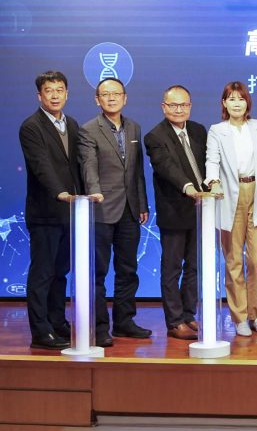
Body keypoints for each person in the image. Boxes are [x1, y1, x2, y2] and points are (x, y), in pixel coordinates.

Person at [79, 77, 151, 347]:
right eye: (105, 94)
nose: (111, 98)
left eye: (116, 93)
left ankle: (124, 321)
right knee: (97, 272)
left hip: (130, 210)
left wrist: (142, 203)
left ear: (125, 97)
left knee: (128, 269)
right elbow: (88, 166)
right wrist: (94, 193)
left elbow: (137, 171)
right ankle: (98, 327)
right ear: (97, 100)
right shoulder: (88, 130)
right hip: (102, 209)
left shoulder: (134, 127)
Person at [206, 81, 257, 337]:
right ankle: (239, 317)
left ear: (248, 102)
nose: (237, 103)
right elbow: (212, 160)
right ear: (224, 103)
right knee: (233, 260)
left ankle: (256, 315)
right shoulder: (217, 130)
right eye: (231, 99)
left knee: (256, 260)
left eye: (241, 98)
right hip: (230, 196)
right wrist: (213, 182)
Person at [19, 71, 82, 350]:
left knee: (60, 272)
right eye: (49, 90)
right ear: (39, 96)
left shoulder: (73, 124)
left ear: (67, 94)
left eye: (59, 90)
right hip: (45, 212)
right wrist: (60, 192)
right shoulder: (31, 127)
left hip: (70, 212)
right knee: (42, 273)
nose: (55, 95)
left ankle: (57, 322)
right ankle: (40, 331)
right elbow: (41, 165)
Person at [144, 85, 207, 341]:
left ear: (190, 106)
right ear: (164, 107)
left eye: (183, 105)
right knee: (172, 268)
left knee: (194, 266)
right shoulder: (155, 136)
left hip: (202, 210)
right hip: (174, 210)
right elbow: (167, 167)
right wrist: (188, 187)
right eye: (173, 105)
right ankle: (174, 321)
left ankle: (189, 314)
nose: (179, 109)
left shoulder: (199, 130)